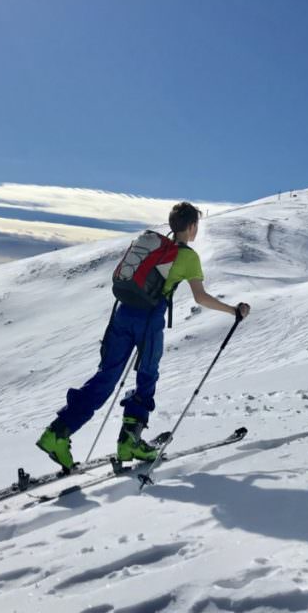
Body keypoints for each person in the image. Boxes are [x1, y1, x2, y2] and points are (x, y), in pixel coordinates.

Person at [36, 201, 250, 470]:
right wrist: (233, 310)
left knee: (106, 377)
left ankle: (57, 433)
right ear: (192, 226)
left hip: (122, 314)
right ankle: (129, 442)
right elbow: (201, 297)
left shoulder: (151, 243)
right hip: (149, 320)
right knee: (147, 375)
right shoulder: (187, 257)